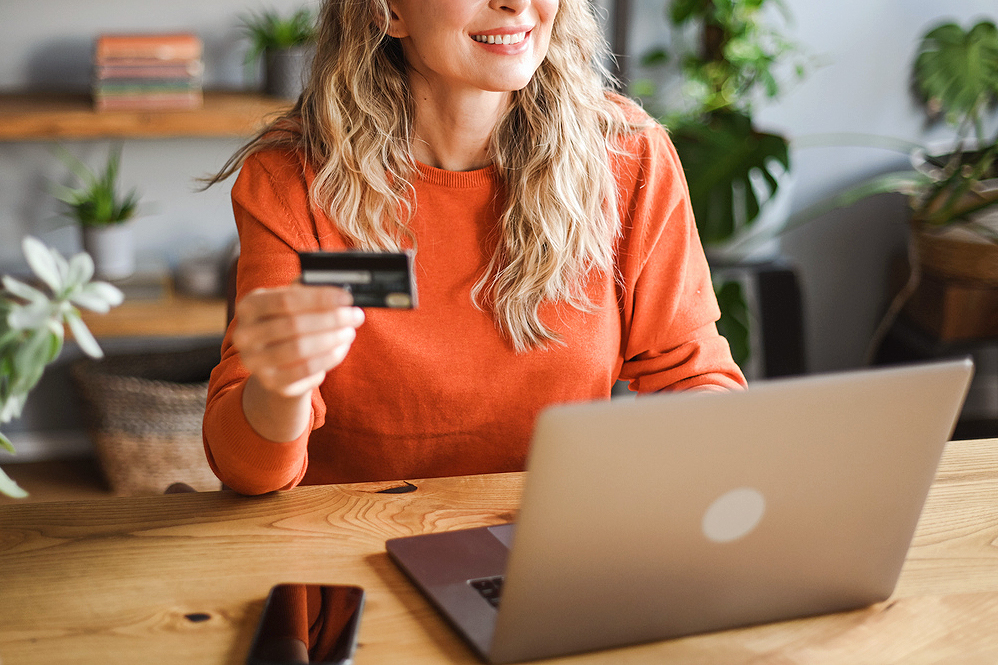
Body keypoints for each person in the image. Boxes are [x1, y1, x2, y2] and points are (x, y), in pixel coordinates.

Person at [202, 0, 746, 496]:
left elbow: (694, 379)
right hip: (350, 563)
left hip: (549, 551)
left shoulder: (629, 158)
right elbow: (247, 470)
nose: (516, 4)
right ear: (389, 11)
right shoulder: (291, 181)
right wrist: (282, 387)